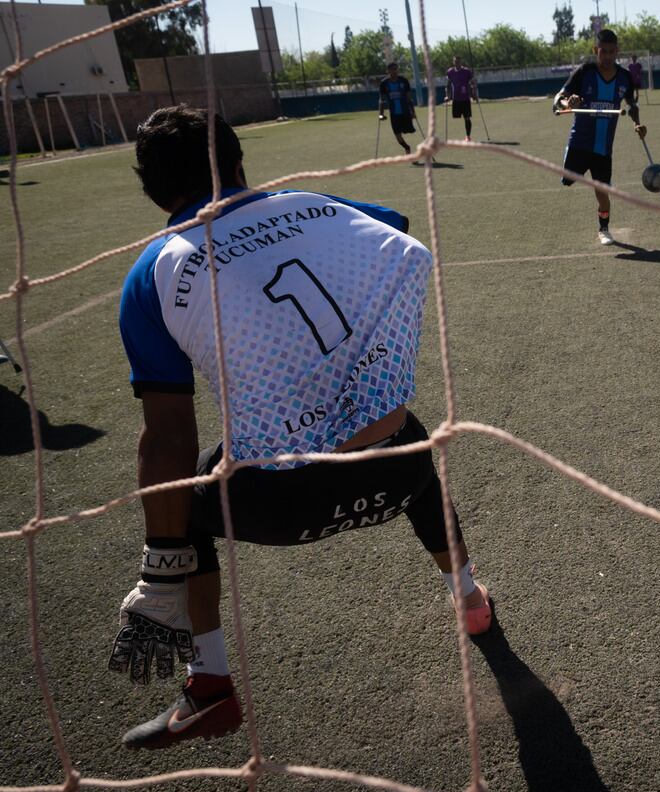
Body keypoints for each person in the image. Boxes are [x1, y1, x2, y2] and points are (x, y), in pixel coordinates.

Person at [110, 105, 493, 750]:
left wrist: (160, 565)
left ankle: (210, 687)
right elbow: (391, 226)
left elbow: (167, 434)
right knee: (415, 436)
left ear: (154, 192)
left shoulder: (152, 273)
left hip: (277, 504)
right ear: (237, 163)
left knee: (192, 491)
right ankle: (470, 598)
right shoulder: (313, 203)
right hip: (395, 468)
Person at [553, 28, 646, 246]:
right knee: (568, 180)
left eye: (611, 52)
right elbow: (559, 98)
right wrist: (568, 103)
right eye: (603, 51)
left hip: (604, 147)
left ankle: (604, 229)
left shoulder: (624, 77)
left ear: (617, 51)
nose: (607, 56)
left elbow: (631, 105)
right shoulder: (584, 72)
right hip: (580, 142)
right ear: (596, 50)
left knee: (601, 189)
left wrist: (637, 123)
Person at [379, 62, 416, 156]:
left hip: (405, 112)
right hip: (394, 114)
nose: (394, 71)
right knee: (397, 135)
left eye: (396, 69)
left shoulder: (404, 81)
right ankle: (407, 147)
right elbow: (382, 100)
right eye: (392, 69)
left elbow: (409, 98)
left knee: (409, 131)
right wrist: (381, 114)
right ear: (388, 71)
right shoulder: (384, 83)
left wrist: (413, 112)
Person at [445, 55, 477, 141]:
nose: (457, 63)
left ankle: (468, 136)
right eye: (455, 61)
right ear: (453, 62)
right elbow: (448, 85)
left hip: (465, 98)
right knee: (456, 117)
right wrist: (448, 96)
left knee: (467, 117)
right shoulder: (450, 72)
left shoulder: (466, 71)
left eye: (458, 61)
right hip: (456, 98)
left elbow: (472, 82)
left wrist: (474, 94)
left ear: (460, 62)